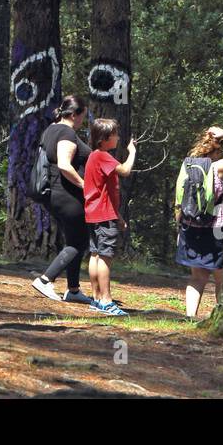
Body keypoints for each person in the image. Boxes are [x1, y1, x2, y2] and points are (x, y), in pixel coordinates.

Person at [31, 95, 96, 304]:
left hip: (55, 194)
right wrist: (84, 186)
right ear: (75, 114)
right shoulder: (66, 131)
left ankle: (73, 289)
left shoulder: (50, 129)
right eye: (82, 117)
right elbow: (65, 165)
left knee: (74, 240)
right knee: (79, 242)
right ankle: (45, 279)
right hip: (65, 194)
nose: (82, 122)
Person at [175, 126, 223, 319]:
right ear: (217, 151)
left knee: (197, 276)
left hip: (190, 225)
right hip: (215, 227)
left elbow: (178, 201)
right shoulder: (217, 167)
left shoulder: (187, 166)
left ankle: (190, 316)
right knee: (221, 277)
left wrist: (179, 229)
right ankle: (220, 316)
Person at [83, 118, 136, 316]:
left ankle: (96, 299)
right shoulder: (103, 156)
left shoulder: (93, 157)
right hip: (103, 215)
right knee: (105, 257)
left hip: (95, 213)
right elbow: (125, 171)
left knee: (96, 254)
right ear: (104, 138)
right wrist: (133, 153)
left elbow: (105, 191)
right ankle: (106, 300)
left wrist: (119, 217)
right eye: (115, 134)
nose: (118, 137)